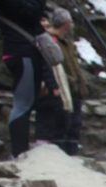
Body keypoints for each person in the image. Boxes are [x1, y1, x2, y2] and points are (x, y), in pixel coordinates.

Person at [0, 0, 51, 158]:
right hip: (21, 52)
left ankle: (20, 150)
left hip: (24, 51)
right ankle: (18, 153)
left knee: (27, 103)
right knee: (23, 104)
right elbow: (31, 13)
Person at [35, 8, 84, 155]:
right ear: (65, 24)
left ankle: (72, 153)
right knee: (60, 123)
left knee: (74, 124)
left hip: (74, 88)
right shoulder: (50, 41)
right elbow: (54, 66)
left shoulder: (67, 42)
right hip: (60, 86)